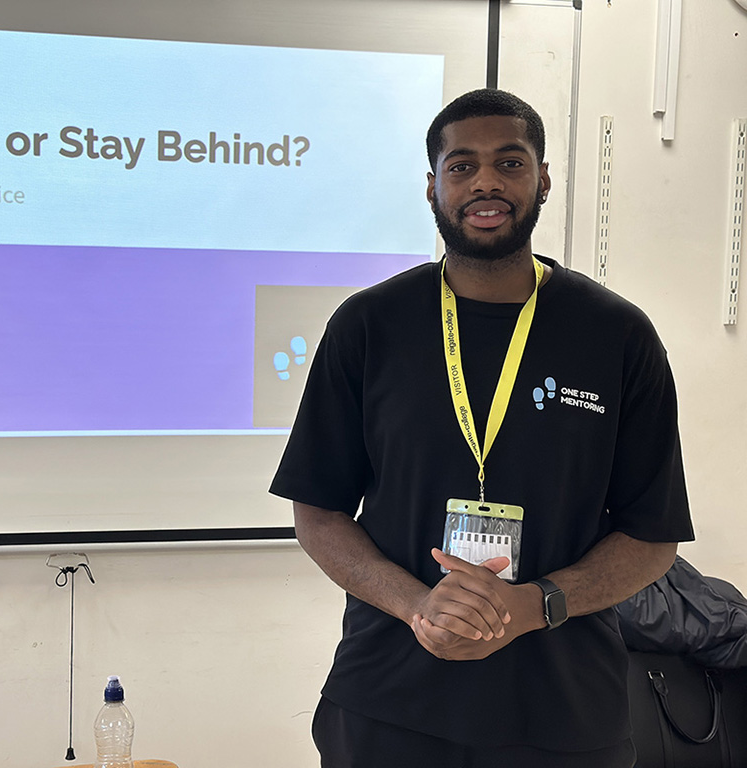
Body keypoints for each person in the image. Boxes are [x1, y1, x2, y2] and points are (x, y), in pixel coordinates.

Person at [269, 89, 694, 767]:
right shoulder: (369, 326)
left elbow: (652, 539)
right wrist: (418, 607)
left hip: (563, 712)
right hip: (390, 701)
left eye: (510, 162)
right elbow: (317, 512)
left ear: (544, 178)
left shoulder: (616, 336)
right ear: (433, 186)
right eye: (462, 166)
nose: (486, 182)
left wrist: (533, 606)